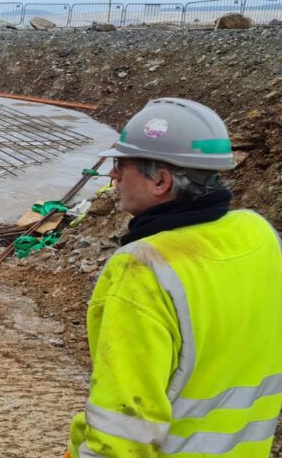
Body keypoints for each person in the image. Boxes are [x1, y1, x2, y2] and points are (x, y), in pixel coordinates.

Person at [65, 98, 282, 458]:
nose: (113, 176)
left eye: (122, 165)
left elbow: (123, 430)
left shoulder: (142, 267)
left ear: (161, 182)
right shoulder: (259, 235)